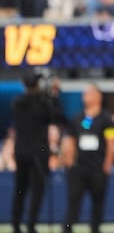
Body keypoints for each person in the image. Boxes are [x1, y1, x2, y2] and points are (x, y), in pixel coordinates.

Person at [62, 84, 114, 233]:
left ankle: (95, 228)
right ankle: (67, 228)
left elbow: (111, 143)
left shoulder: (107, 119)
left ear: (99, 96)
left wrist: (108, 163)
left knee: (98, 202)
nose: (85, 96)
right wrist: (68, 159)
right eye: (85, 94)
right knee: (73, 200)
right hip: (78, 168)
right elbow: (70, 140)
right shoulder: (77, 118)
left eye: (89, 93)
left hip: (98, 168)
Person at [11, 71, 63, 233]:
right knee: (36, 190)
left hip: (21, 152)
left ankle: (16, 224)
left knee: (20, 189)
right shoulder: (41, 104)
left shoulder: (18, 102)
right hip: (38, 153)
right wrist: (53, 95)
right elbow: (57, 117)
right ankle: (31, 225)